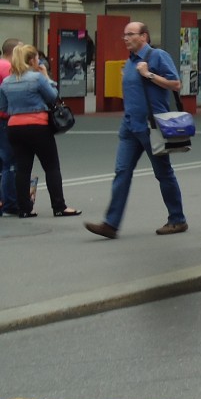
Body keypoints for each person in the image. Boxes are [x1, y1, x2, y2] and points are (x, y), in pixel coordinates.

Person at [84, 22, 188, 239]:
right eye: (124, 35)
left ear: (144, 36)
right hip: (130, 127)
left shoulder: (157, 56)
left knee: (163, 173)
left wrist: (149, 74)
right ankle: (111, 224)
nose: (125, 38)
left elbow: (176, 84)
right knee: (122, 172)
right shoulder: (130, 62)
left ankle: (177, 219)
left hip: (152, 126)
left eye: (130, 34)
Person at [0, 44, 80, 218]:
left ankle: (24, 209)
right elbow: (52, 96)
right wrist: (46, 76)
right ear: (31, 60)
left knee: (22, 168)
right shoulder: (37, 78)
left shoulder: (7, 81)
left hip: (14, 126)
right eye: (37, 58)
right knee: (51, 166)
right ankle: (59, 206)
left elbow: (3, 107)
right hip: (38, 125)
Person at [0, 37, 21, 216]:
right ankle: (10, 204)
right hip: (5, 118)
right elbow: (14, 91)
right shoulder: (7, 68)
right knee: (10, 162)